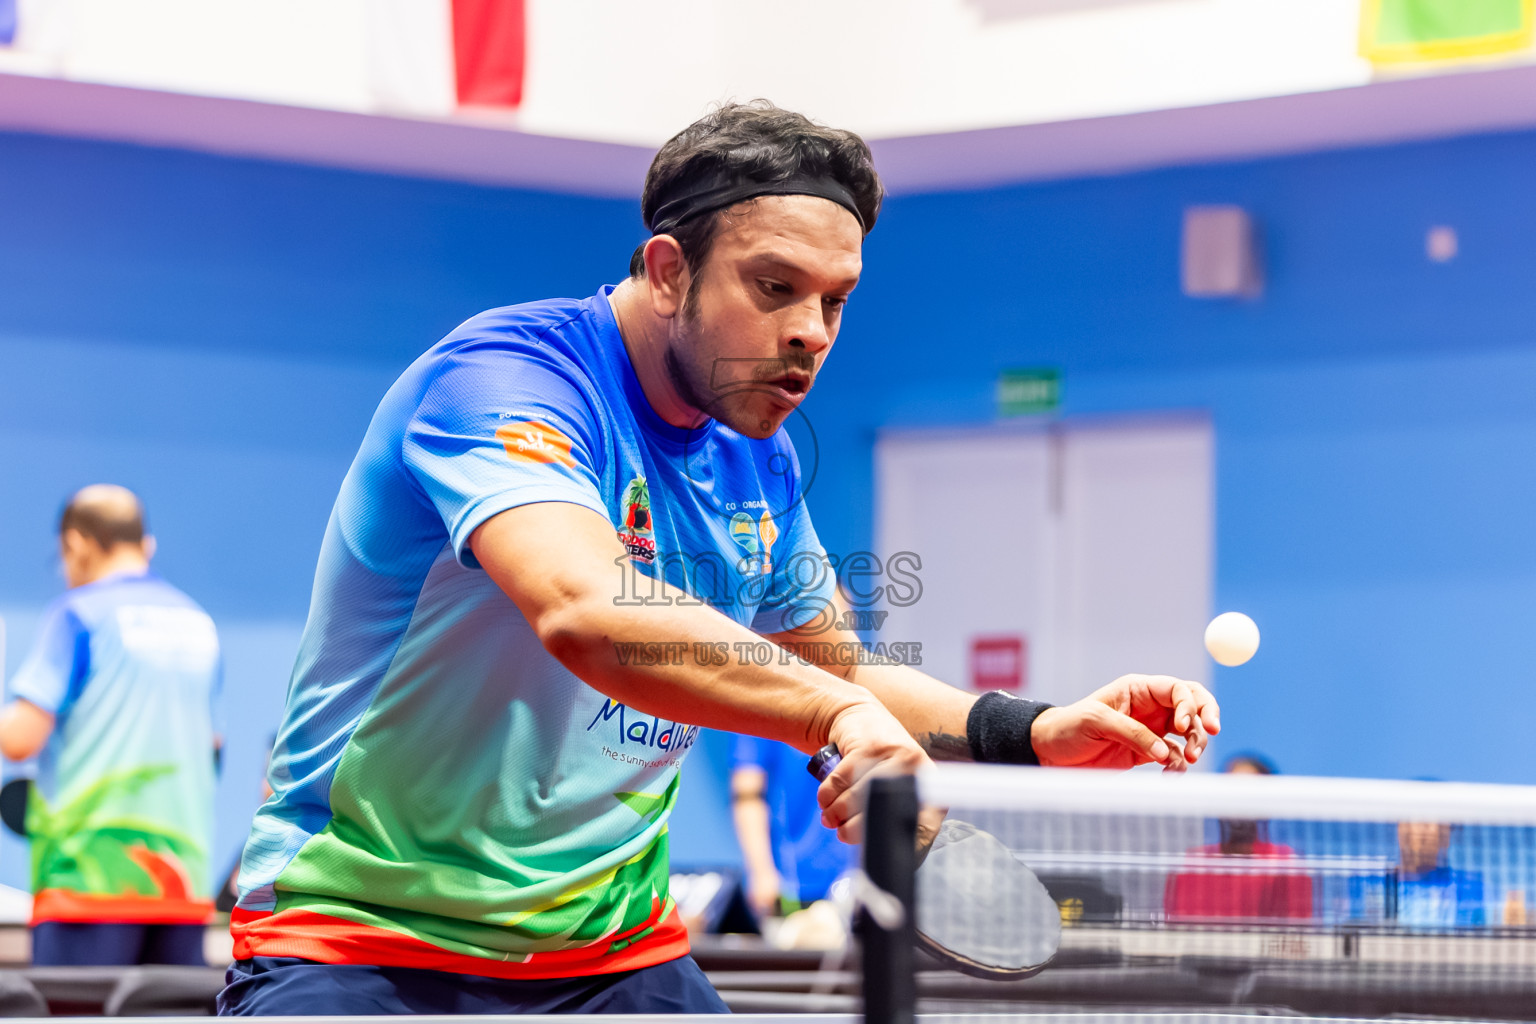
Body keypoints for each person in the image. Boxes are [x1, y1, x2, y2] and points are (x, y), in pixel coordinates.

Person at [219, 101, 1222, 1016]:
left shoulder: (759, 454)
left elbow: (833, 658)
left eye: (835, 301)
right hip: (362, 940)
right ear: (667, 270)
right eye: (775, 287)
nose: (809, 334)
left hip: (611, 954)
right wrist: (835, 716)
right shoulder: (503, 381)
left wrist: (1029, 729)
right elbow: (585, 609)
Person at [0, 485, 221, 966]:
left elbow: (19, 739)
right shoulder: (198, 623)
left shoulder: (78, 614)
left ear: (75, 543)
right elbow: (211, 744)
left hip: (89, 881)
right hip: (181, 888)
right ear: (147, 545)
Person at [1164, 750, 1312, 922]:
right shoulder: (1191, 864)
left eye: (1248, 793)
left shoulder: (1287, 865)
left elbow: (1296, 941)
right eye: (1231, 792)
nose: (1238, 802)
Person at [730, 734, 852, 920]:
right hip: (792, 885)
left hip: (864, 880)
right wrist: (761, 872)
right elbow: (747, 793)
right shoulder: (768, 706)